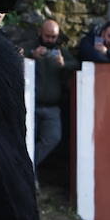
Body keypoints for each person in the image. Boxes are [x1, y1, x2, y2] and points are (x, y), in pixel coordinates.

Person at [28, 17, 67, 168]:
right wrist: (32, 55)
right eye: (47, 36)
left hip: (52, 108)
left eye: (54, 37)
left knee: (53, 138)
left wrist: (64, 64)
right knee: (27, 141)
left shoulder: (60, 51)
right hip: (32, 106)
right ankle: (30, 175)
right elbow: (16, 55)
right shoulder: (31, 46)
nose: (50, 39)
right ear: (40, 33)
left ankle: (28, 166)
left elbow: (76, 64)